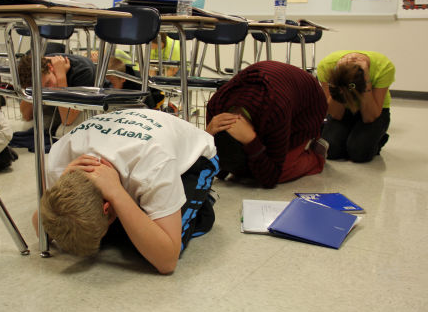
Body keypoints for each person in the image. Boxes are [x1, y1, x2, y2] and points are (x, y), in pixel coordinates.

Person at [33, 108, 219, 274]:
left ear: (107, 207)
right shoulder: (60, 160)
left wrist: (117, 193)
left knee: (149, 247)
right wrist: (59, 181)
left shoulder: (153, 164)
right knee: (118, 233)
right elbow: (43, 226)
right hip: (136, 140)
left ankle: (200, 203)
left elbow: (167, 261)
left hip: (194, 156)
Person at [205, 60, 328, 188]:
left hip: (309, 105)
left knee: (279, 171)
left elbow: (271, 179)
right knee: (256, 165)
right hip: (280, 90)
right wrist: (207, 135)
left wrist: (252, 141)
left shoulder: (275, 111)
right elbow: (215, 164)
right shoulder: (215, 107)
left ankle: (316, 157)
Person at [316, 50, 395, 162]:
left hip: (374, 109)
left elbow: (369, 117)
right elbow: (336, 114)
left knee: (359, 154)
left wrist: (366, 80)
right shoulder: (327, 65)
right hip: (345, 110)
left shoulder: (383, 67)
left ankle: (379, 137)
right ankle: (353, 135)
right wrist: (338, 82)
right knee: (331, 151)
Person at [17, 53, 96, 136]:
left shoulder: (83, 70)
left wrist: (61, 76)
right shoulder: (41, 67)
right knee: (28, 127)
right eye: (41, 90)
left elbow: (67, 119)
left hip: (90, 104)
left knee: (61, 132)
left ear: (50, 67)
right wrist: (33, 93)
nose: (48, 90)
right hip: (61, 103)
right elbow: (26, 115)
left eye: (48, 83)